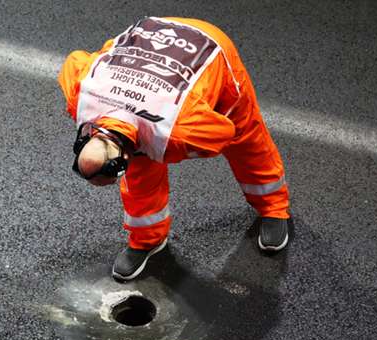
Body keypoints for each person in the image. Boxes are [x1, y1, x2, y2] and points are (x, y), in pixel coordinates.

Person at [58, 16, 290, 281]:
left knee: (247, 137)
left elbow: (224, 133)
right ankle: (147, 240)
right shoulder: (79, 95)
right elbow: (75, 60)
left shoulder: (177, 129)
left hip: (211, 50)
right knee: (142, 170)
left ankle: (273, 205)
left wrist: (167, 150)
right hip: (154, 33)